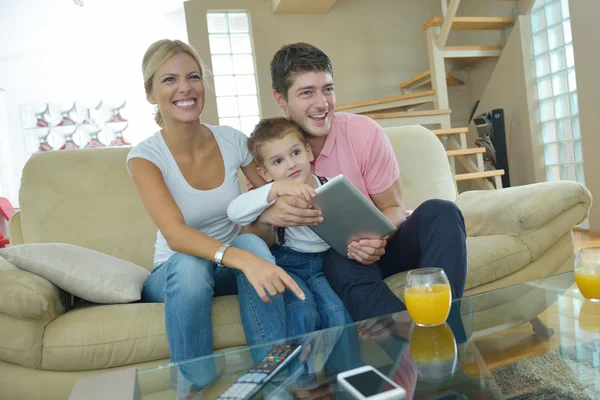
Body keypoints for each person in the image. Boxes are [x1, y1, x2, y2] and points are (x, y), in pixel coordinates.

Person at [127, 39, 304, 396]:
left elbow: (269, 194)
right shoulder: (145, 156)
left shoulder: (232, 141)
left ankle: (275, 383)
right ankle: (194, 390)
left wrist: (288, 207)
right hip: (175, 274)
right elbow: (176, 235)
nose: (185, 88)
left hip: (226, 267)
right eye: (169, 80)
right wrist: (244, 259)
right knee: (192, 264)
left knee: (252, 241)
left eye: (193, 77)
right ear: (150, 93)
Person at [256, 42, 467, 323]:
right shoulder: (270, 150)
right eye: (306, 93)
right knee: (340, 263)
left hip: (385, 243)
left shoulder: (364, 133)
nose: (322, 103)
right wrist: (270, 215)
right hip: (340, 261)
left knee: (442, 211)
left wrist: (378, 237)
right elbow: (254, 232)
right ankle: (410, 352)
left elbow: (392, 207)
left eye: (327, 89)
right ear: (281, 99)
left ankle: (448, 336)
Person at [227, 117, 352, 337]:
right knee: (302, 312)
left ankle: (344, 371)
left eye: (295, 153)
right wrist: (275, 189)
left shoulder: (332, 184)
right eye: (278, 161)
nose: (291, 164)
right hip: (289, 265)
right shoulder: (271, 194)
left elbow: (355, 215)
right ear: (265, 174)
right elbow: (234, 212)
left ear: (308, 152)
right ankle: (300, 372)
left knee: (337, 313)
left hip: (324, 264)